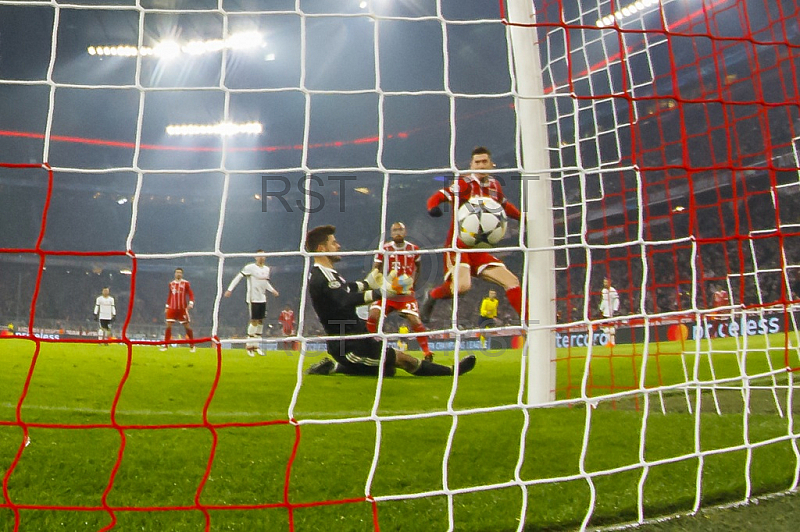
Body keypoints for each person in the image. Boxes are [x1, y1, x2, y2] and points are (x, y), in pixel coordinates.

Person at [303, 224, 476, 377]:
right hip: (348, 346)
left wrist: (366, 283)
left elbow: (346, 288)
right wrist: (381, 292)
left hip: (358, 338)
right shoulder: (322, 276)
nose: (338, 246)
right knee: (403, 360)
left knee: (388, 371)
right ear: (321, 248)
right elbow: (344, 300)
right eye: (333, 243)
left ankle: (332, 367)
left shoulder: (327, 273)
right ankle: (451, 371)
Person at [420, 146, 524, 325]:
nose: (481, 165)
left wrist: (522, 218)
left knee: (512, 281)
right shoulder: (464, 183)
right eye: (477, 162)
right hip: (458, 246)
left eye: (485, 162)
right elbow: (438, 196)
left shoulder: (494, 185)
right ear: (471, 165)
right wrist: (433, 208)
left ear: (492, 165)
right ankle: (433, 295)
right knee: (462, 287)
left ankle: (529, 321)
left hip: (480, 248)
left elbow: (504, 205)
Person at [366, 222, 435, 361]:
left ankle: (427, 352)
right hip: (388, 292)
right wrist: (376, 280)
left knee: (414, 320)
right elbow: (376, 267)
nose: (398, 232)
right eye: (395, 230)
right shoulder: (384, 249)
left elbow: (418, 266)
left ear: (405, 232)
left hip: (405, 294)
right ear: (391, 234)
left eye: (400, 230)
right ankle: (371, 346)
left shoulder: (413, 249)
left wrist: (413, 284)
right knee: (373, 314)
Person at [224, 250, 279, 356]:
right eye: (259, 256)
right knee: (253, 321)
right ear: (255, 257)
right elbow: (239, 277)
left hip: (263, 298)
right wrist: (230, 289)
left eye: (263, 256)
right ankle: (249, 346)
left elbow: (265, 283)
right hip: (253, 298)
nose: (261, 258)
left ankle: (256, 346)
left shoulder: (267, 269)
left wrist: (272, 290)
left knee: (260, 322)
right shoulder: (250, 267)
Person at [161, 267, 195, 352]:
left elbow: (190, 293)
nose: (178, 274)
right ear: (175, 274)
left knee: (187, 326)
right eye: (177, 272)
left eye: (180, 272)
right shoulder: (171, 284)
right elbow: (170, 295)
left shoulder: (185, 283)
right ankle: (165, 346)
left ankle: (192, 345)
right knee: (168, 325)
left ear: (182, 274)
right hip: (172, 308)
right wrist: (167, 306)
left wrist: (191, 302)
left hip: (182, 309)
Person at [599, 277, 620, 346]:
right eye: (604, 282)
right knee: (605, 328)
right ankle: (609, 342)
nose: (605, 283)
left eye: (606, 282)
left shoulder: (613, 290)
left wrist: (615, 309)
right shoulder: (603, 291)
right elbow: (603, 301)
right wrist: (601, 309)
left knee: (611, 327)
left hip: (611, 312)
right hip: (605, 312)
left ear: (609, 282)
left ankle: (613, 342)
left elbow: (616, 300)